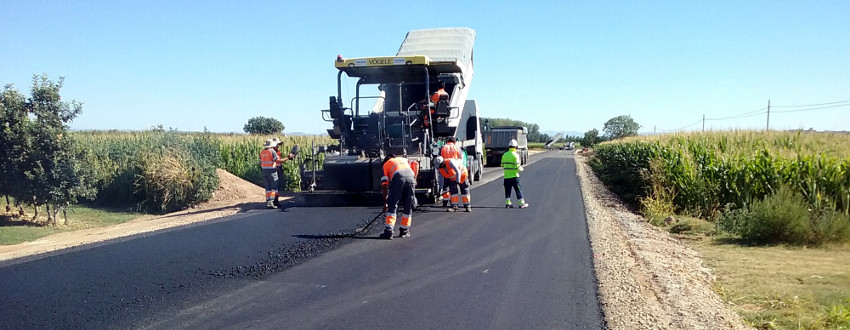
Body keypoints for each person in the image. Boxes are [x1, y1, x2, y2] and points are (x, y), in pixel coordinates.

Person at [380, 154, 417, 239]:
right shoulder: (403, 159)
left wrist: (385, 202)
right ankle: (404, 230)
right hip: (411, 177)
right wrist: (415, 178)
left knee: (393, 203)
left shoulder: (386, 164)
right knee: (408, 204)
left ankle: (388, 231)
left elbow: (385, 186)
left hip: (398, 177)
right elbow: (416, 164)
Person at [259, 139, 293, 208]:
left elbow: (260, 162)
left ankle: (268, 201)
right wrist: (288, 157)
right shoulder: (272, 152)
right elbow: (278, 160)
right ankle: (271, 202)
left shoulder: (262, 152)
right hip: (272, 171)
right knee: (274, 187)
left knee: (268, 188)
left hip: (264, 171)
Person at [502, 139, 529, 209]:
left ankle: (507, 203)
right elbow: (517, 166)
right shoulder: (516, 155)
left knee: (507, 190)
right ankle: (521, 203)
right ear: (516, 147)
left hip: (506, 176)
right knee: (518, 189)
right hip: (514, 176)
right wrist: (521, 169)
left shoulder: (504, 155)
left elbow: (502, 165)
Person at [439, 136, 463, 206]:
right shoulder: (456, 148)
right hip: (453, 170)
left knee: (445, 186)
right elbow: (460, 158)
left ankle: (445, 202)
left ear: (447, 141)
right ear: (454, 142)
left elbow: (439, 158)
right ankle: (454, 203)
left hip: (445, 169)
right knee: (453, 187)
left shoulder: (443, 148)